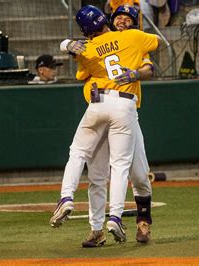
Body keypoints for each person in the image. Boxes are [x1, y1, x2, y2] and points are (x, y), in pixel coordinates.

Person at [49, 5, 160, 246]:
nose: (123, 20)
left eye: (128, 18)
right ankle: (97, 229)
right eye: (119, 16)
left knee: (139, 174)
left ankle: (143, 221)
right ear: (109, 20)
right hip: (112, 109)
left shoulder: (133, 40)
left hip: (116, 113)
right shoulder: (129, 39)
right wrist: (69, 44)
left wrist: (136, 74)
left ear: (134, 23)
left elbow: (149, 68)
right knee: (98, 175)